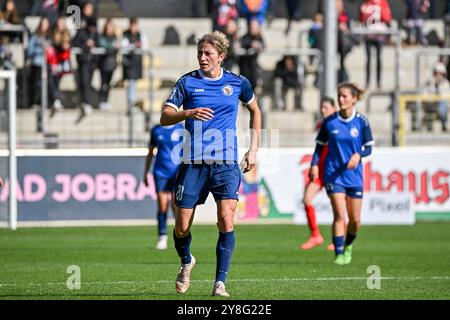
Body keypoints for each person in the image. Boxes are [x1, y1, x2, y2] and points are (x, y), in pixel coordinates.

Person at [160, 31, 261, 297]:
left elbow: (256, 111)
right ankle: (186, 261)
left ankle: (220, 283)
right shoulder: (187, 82)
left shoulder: (237, 83)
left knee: (226, 220)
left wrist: (253, 149)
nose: (203, 58)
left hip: (226, 162)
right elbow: (165, 116)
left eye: (208, 53)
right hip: (193, 162)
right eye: (200, 53)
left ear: (221, 56)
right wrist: (188, 112)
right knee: (181, 227)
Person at [310, 83, 373, 265]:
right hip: (333, 174)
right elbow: (319, 147)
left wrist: (358, 154)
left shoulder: (361, 122)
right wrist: (314, 165)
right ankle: (338, 254)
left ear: (354, 99)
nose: (341, 99)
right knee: (339, 214)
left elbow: (369, 148)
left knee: (355, 220)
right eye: (339, 96)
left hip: (354, 176)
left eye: (345, 96)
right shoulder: (330, 122)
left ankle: (348, 246)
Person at [301, 97, 337, 250]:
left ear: (334, 108)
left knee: (337, 206)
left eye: (326, 107)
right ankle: (315, 235)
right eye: (322, 107)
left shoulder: (339, 125)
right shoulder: (323, 125)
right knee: (307, 199)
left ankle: (338, 240)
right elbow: (318, 149)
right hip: (319, 171)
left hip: (333, 172)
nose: (323, 110)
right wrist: (314, 165)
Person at [143, 122, 184, 250]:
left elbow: (187, 149)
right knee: (162, 205)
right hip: (160, 171)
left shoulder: (180, 128)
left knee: (175, 204)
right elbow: (150, 152)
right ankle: (162, 237)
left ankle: (180, 235)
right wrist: (145, 172)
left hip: (176, 171)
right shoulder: (156, 130)